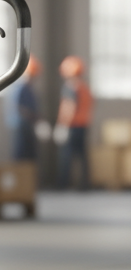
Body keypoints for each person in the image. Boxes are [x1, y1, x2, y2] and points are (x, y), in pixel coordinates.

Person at [56, 55, 94, 190]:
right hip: (83, 126)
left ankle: (63, 184)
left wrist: (63, 126)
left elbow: (69, 107)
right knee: (82, 157)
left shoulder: (70, 88)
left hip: (72, 127)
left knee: (66, 157)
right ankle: (85, 185)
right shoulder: (84, 88)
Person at [5, 56, 41, 161]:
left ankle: (29, 176)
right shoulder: (20, 88)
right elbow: (18, 107)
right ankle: (21, 176)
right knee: (21, 155)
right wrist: (35, 117)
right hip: (21, 127)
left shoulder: (29, 89)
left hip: (28, 126)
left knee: (31, 156)